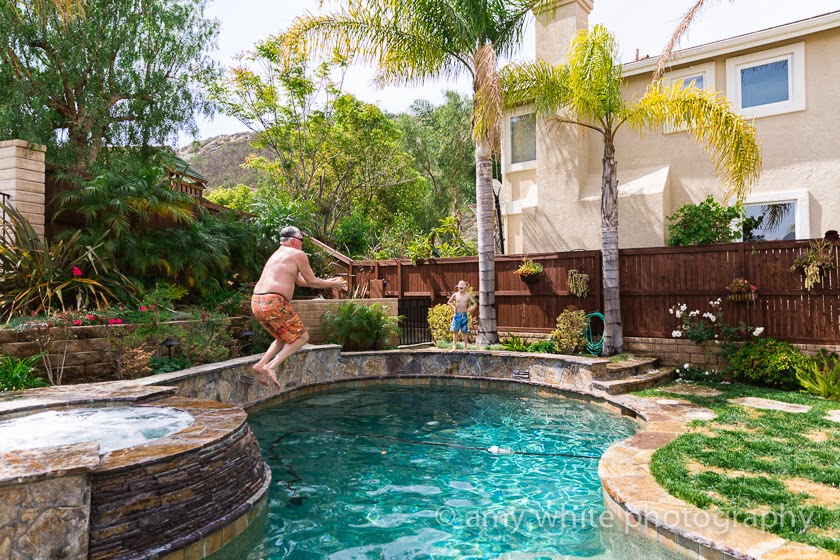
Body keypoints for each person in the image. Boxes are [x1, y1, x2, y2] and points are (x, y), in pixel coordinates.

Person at [251, 226, 347, 388]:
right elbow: (313, 282)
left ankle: (260, 365)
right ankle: (271, 366)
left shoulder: (278, 254)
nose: (302, 243)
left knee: (282, 338)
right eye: (302, 240)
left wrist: (329, 282)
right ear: (294, 241)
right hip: (274, 301)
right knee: (302, 337)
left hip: (257, 302)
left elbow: (301, 281)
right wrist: (335, 285)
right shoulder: (298, 254)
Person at [447, 280, 477, 351]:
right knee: (455, 331)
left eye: (462, 286)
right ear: (457, 287)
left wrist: (472, 307)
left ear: (465, 287)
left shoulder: (467, 295)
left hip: (464, 315)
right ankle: (454, 347)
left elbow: (475, 303)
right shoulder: (455, 295)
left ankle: (465, 347)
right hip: (457, 315)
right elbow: (449, 302)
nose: (461, 287)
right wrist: (453, 307)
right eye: (460, 286)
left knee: (464, 332)